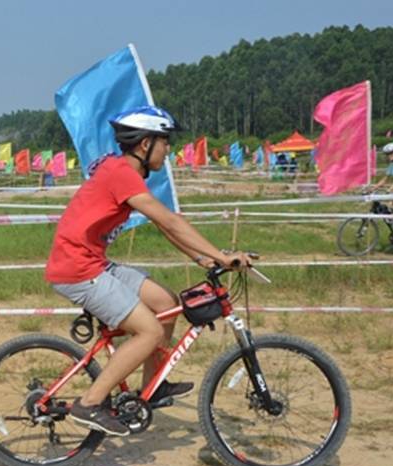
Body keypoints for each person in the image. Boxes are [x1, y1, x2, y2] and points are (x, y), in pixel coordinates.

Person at [45, 106, 252, 435]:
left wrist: (204, 260)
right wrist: (223, 257)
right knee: (150, 331)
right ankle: (90, 403)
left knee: (165, 304)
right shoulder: (121, 174)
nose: (169, 149)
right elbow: (170, 220)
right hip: (77, 268)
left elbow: (166, 225)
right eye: (165, 141)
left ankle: (151, 388)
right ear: (145, 144)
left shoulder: (124, 171)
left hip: (92, 260)